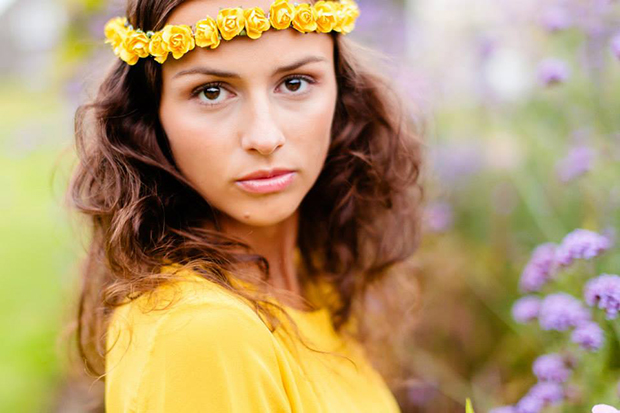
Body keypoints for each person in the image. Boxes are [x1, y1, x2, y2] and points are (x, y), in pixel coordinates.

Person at [66, 0, 424, 411]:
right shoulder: (202, 332)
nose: (265, 135)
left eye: (295, 83)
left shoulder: (312, 278)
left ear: (342, 91)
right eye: (211, 91)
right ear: (151, 118)